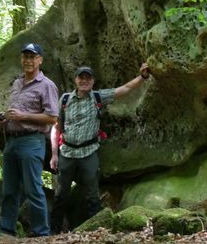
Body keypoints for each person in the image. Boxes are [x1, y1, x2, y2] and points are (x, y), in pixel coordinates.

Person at [49, 63, 151, 233]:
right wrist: (54, 154)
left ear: (93, 81)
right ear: (75, 80)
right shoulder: (65, 99)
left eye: (88, 78)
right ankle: (53, 230)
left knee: (92, 193)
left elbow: (123, 89)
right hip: (67, 151)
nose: (84, 81)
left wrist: (143, 77)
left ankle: (95, 230)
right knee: (61, 193)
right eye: (81, 77)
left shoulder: (97, 97)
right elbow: (57, 126)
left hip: (88, 151)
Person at [0, 42, 59, 237]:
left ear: (40, 60)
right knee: (9, 190)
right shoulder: (17, 82)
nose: (28, 60)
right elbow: (16, 113)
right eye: (25, 56)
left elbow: (52, 117)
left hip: (32, 141)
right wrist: (6, 118)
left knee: (33, 188)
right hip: (12, 141)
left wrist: (23, 116)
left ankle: (41, 233)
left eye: (32, 57)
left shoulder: (47, 85)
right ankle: (7, 231)